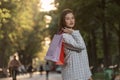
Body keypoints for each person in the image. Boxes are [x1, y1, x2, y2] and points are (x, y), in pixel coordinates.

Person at [58, 9, 92, 80]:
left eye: (72, 18)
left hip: (81, 74)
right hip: (72, 75)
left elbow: (83, 56)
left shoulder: (73, 34)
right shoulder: (64, 36)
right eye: (67, 19)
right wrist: (74, 32)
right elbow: (81, 46)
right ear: (63, 21)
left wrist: (88, 75)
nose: (71, 21)